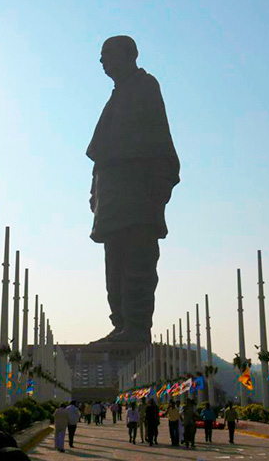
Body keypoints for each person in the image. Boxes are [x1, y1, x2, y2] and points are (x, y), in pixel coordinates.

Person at [87, 35, 180, 344]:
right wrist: (95, 191)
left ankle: (136, 329)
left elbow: (157, 140)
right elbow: (101, 154)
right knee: (114, 266)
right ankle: (121, 325)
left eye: (107, 54)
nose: (102, 61)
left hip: (138, 193)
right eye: (101, 55)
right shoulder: (116, 96)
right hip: (112, 198)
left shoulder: (145, 87)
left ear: (129, 55)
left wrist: (157, 187)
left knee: (137, 264)